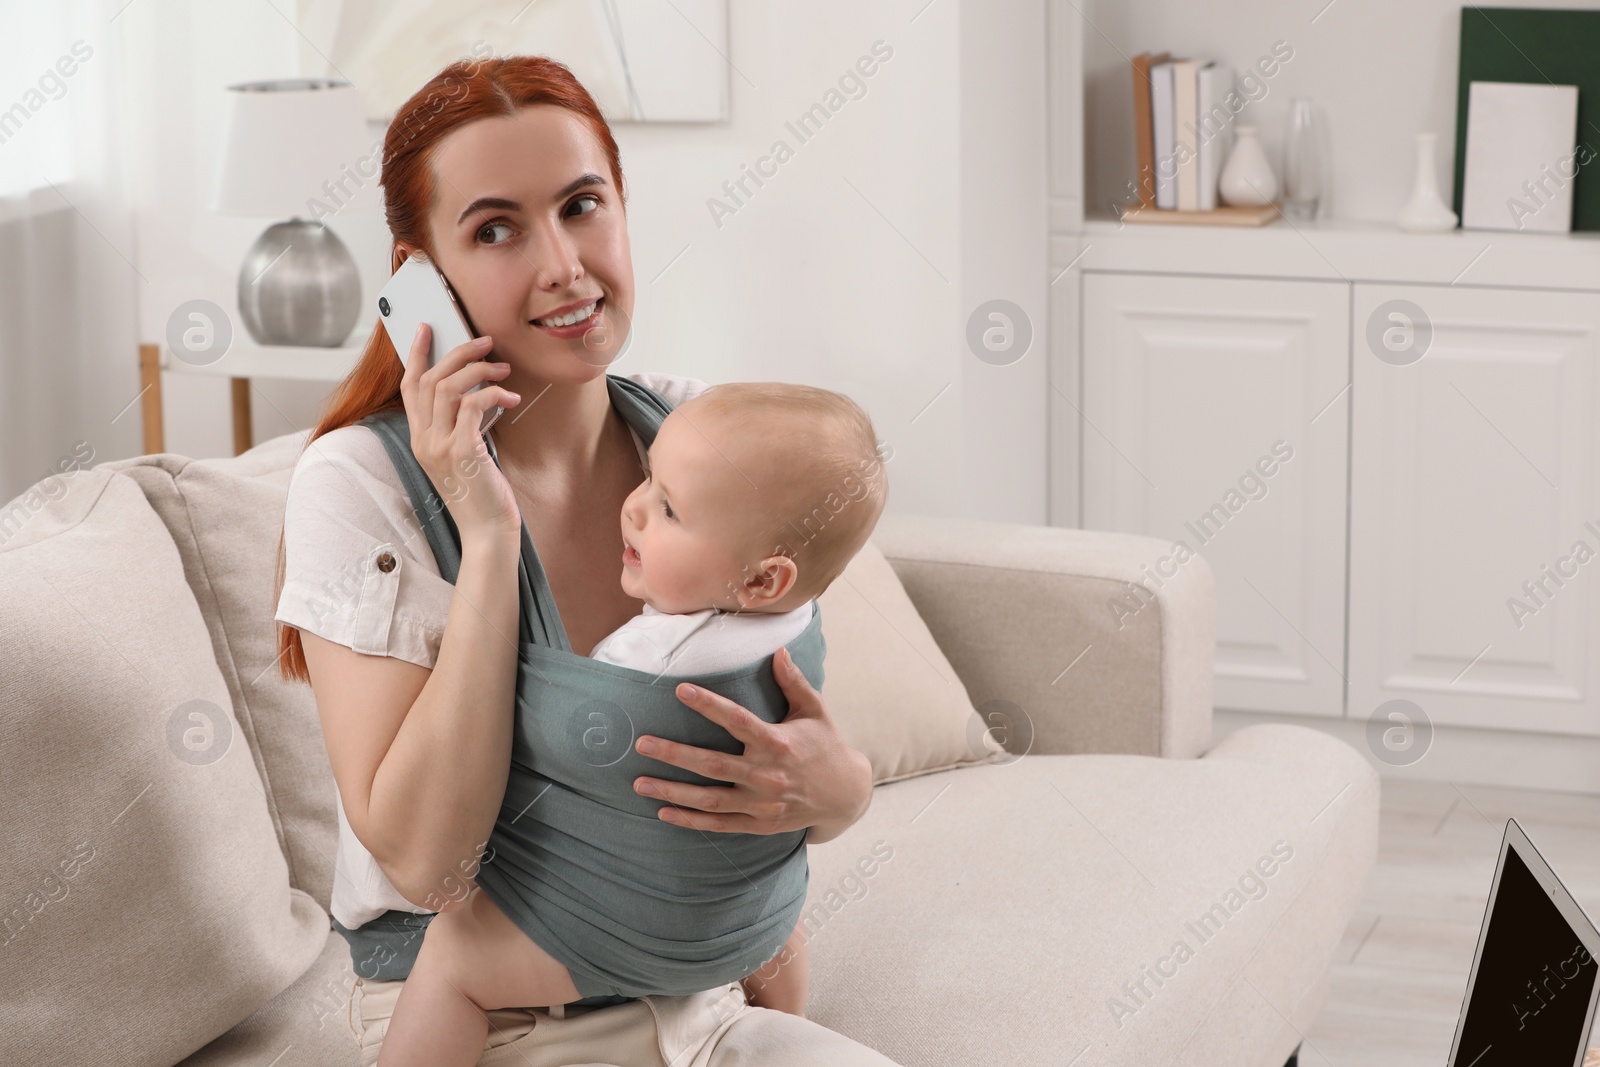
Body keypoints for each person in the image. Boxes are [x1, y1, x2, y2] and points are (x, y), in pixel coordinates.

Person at [271, 52, 887, 1067]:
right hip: (481, 1009)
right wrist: (488, 533)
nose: (563, 263)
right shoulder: (357, 484)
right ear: (420, 274)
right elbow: (430, 865)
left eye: (582, 205)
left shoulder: (695, 430)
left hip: (702, 987)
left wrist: (842, 791)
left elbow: (771, 709)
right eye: (496, 228)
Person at [375, 383, 889, 1066]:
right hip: (753, 930)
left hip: (625, 936)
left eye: (669, 509)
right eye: (649, 479)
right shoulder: (797, 625)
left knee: (451, 957)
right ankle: (785, 1020)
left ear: (763, 581)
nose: (635, 506)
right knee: (771, 906)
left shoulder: (643, 658)